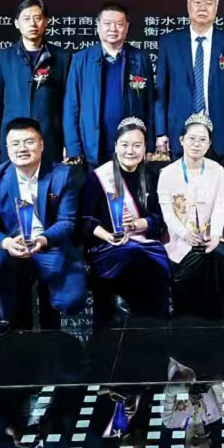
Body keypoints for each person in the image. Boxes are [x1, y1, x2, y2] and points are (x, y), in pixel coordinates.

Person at [0, 118, 86, 332]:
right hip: (13, 247)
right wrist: (6, 243)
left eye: (29, 142)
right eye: (15, 144)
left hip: (50, 245)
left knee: (71, 301)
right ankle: (12, 311)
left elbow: (67, 221)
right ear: (7, 148)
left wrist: (43, 239)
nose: (22, 149)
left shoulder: (62, 174)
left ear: (41, 144)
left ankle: (52, 314)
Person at [78, 118, 171, 317]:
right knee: (131, 258)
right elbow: (84, 220)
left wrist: (141, 223)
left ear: (145, 148)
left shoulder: (151, 176)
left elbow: (161, 220)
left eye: (137, 145)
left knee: (150, 265)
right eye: (125, 145)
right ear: (115, 146)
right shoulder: (98, 178)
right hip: (108, 246)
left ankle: (151, 327)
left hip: (145, 244)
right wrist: (107, 235)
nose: (130, 151)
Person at [156, 0, 224, 163]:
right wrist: (160, 132)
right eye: (197, 2)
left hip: (221, 133)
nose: (202, 8)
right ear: (188, 6)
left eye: (209, 2)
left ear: (216, 8)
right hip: (179, 132)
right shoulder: (169, 42)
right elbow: (161, 92)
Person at [156, 112, 224, 319]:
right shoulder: (167, 173)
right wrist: (185, 234)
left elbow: (219, 207)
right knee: (188, 257)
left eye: (202, 140)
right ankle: (183, 307)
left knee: (215, 256)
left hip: (209, 235)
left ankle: (214, 312)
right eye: (192, 138)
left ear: (209, 144)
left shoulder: (218, 170)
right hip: (178, 237)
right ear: (181, 140)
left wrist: (215, 235)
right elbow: (167, 212)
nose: (196, 144)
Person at [65, 2, 155, 167]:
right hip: (92, 147)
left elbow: (149, 105)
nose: (113, 29)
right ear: (98, 26)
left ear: (127, 27)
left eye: (119, 24)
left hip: (130, 147)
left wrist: (149, 145)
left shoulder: (140, 59)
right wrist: (73, 148)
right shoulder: (81, 60)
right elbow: (71, 107)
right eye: (107, 24)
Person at [0, 0, 66, 166]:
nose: (32, 24)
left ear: (46, 22)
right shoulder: (3, 58)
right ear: (17, 23)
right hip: (13, 138)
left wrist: (68, 143)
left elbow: (68, 104)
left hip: (50, 137)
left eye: (37, 18)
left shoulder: (62, 58)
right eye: (26, 19)